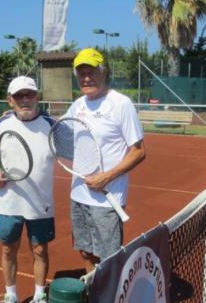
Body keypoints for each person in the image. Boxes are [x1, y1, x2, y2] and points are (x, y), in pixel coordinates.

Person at [63, 48, 146, 273]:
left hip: (107, 199)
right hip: (78, 195)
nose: (86, 78)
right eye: (81, 73)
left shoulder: (121, 104)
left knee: (109, 257)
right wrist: (18, 117)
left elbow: (138, 152)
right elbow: (56, 132)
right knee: (85, 250)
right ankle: (94, 295)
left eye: (91, 72)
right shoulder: (78, 105)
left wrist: (106, 177)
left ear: (103, 72)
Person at [0, 76, 56, 303]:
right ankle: (12, 297)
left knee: (40, 250)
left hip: (40, 202)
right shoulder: (1, 124)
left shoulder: (52, 125)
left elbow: (74, 147)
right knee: (8, 249)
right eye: (19, 96)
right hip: (8, 202)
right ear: (10, 100)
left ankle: (39, 297)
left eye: (30, 94)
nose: (25, 100)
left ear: (37, 96)